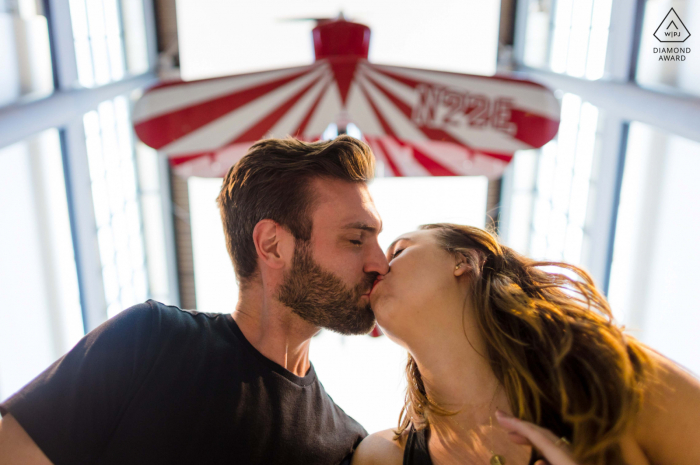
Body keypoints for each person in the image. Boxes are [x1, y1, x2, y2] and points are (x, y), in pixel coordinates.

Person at [0, 135, 390, 465]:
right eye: (356, 240)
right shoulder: (148, 341)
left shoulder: (349, 444)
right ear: (272, 245)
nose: (380, 263)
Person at [353, 224, 700, 465]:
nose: (377, 267)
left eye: (398, 249)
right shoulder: (382, 457)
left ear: (464, 259)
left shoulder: (609, 373)